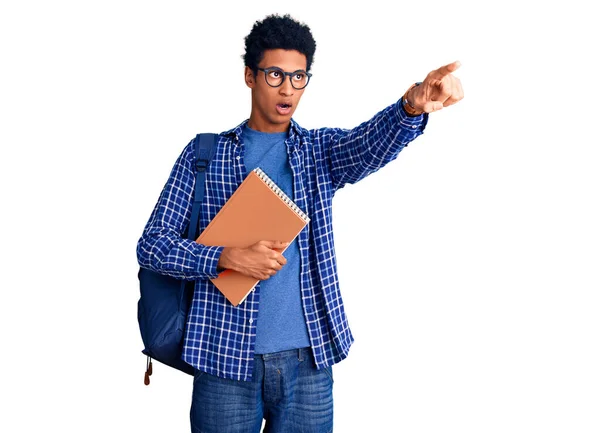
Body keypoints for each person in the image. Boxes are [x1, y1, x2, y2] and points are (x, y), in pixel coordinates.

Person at [137, 13, 463, 433]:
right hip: (222, 359)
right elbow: (152, 244)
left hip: (308, 364)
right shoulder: (205, 155)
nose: (287, 88)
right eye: (274, 75)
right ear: (249, 76)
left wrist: (411, 106)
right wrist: (225, 257)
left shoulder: (318, 152)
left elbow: (367, 144)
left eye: (298, 77)